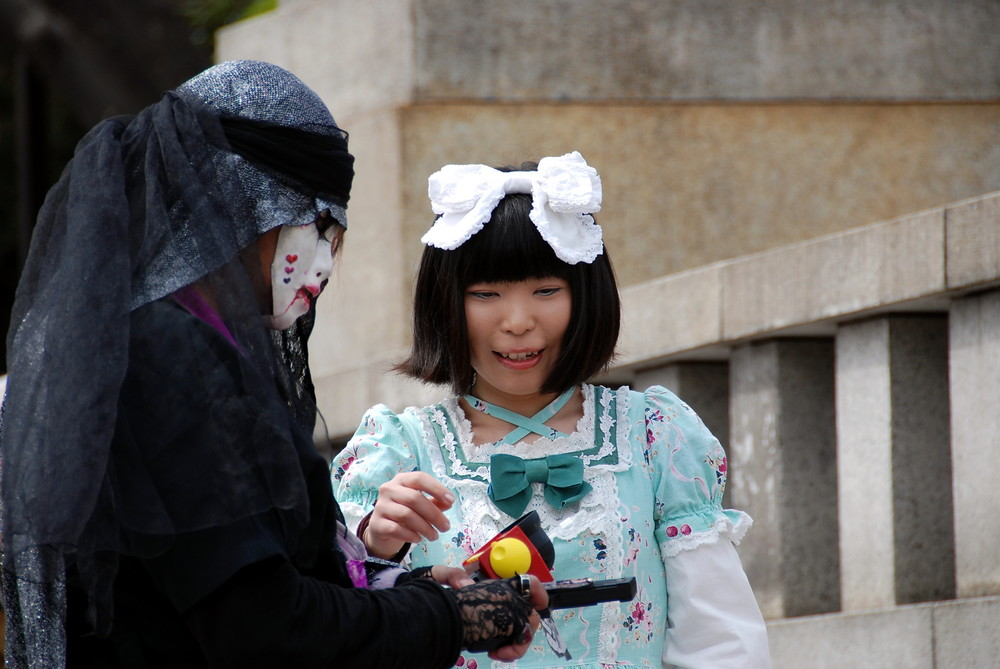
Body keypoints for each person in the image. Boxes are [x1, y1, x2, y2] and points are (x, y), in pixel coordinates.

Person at [0, 60, 547, 669]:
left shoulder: (161, 342)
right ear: (245, 203)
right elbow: (264, 630)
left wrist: (413, 596)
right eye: (317, 225)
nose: (324, 264)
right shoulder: (172, 357)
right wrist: (455, 618)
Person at [332, 152, 772, 668]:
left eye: (546, 290)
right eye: (485, 293)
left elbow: (721, 644)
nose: (518, 321)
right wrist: (376, 548)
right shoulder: (397, 453)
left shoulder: (655, 438)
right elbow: (333, 635)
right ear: (444, 303)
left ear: (586, 296)